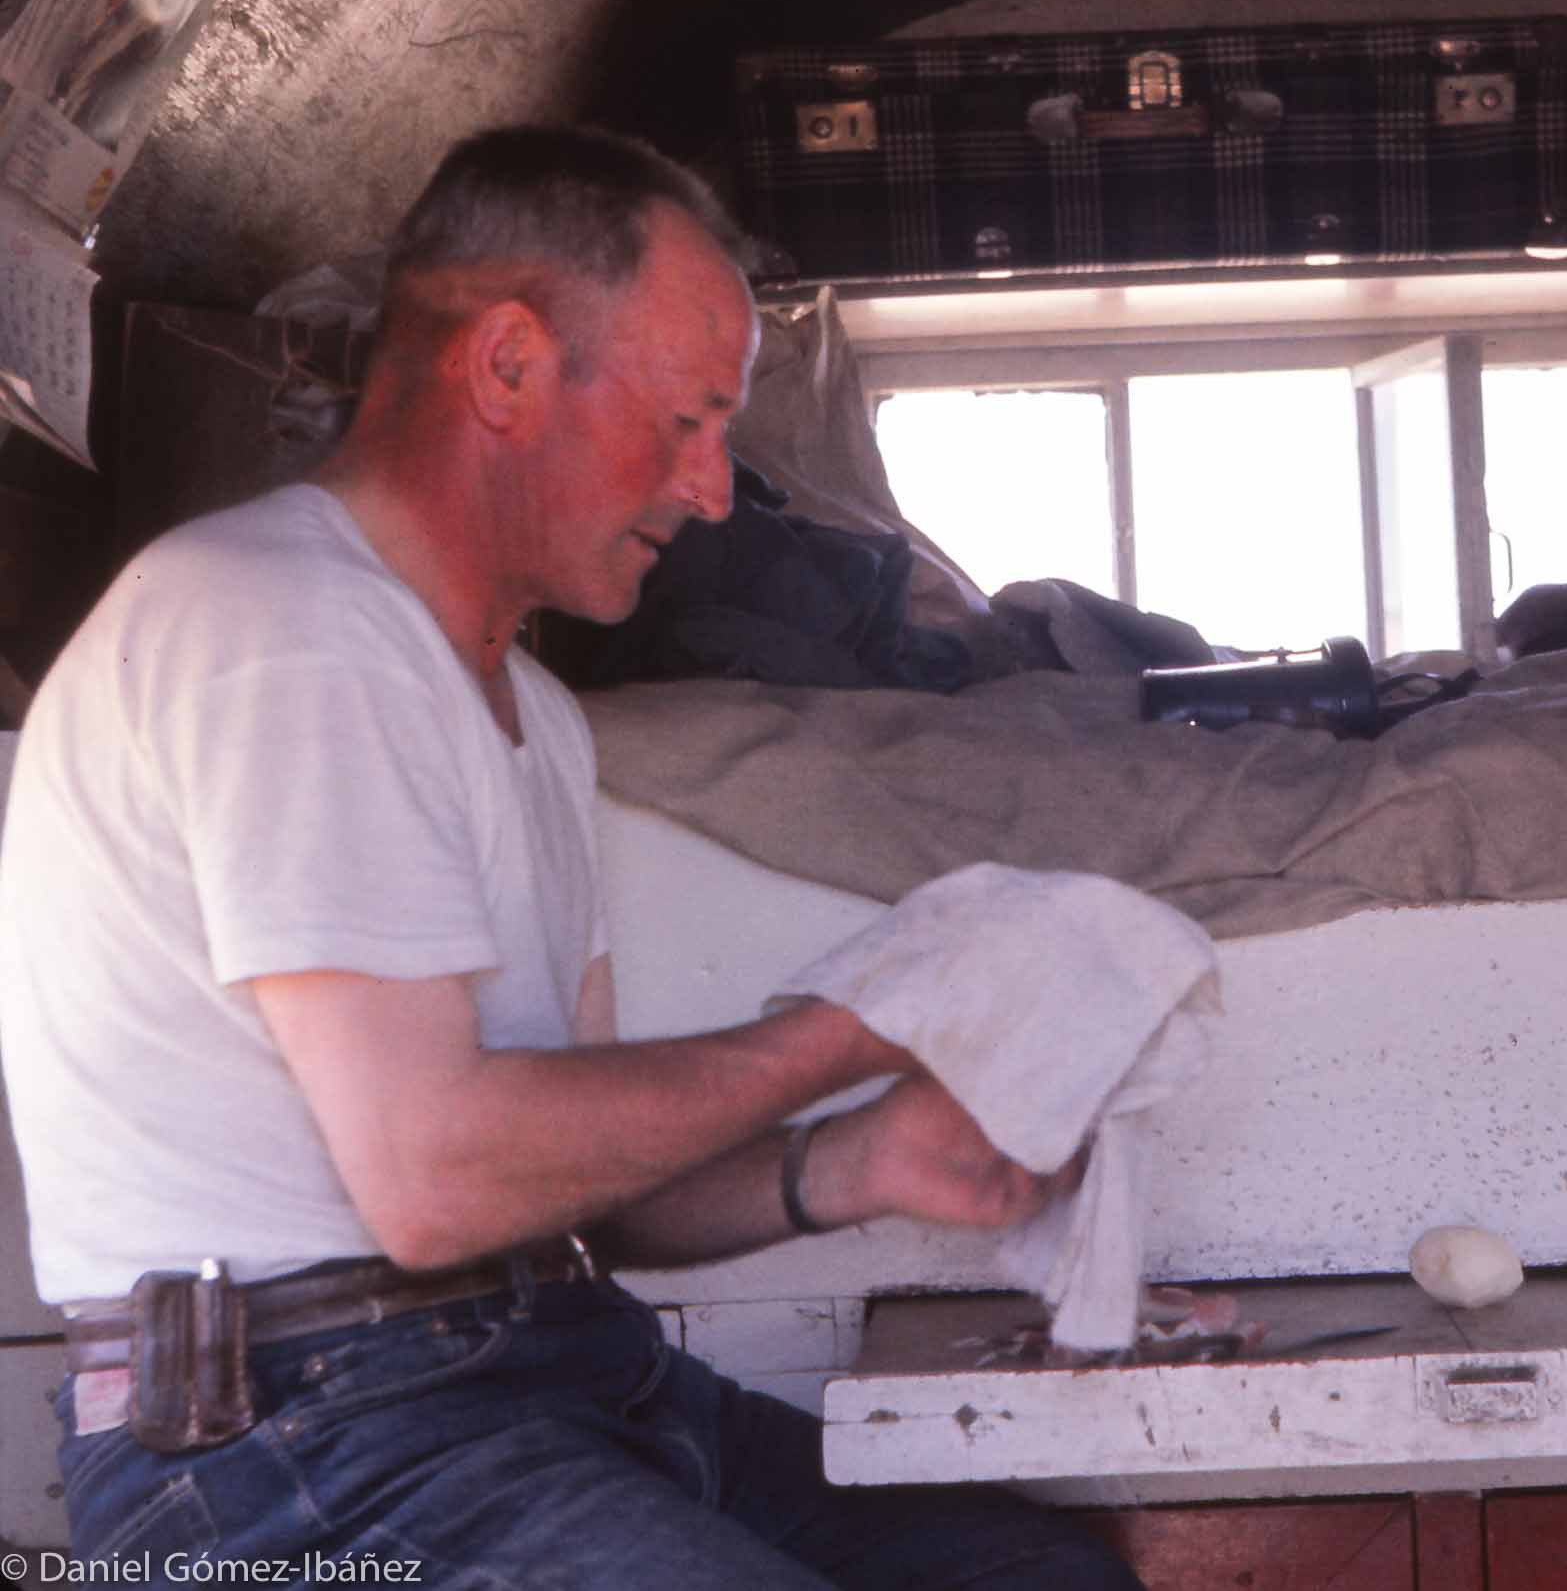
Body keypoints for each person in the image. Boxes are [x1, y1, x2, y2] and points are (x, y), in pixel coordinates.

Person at [0, 126, 1144, 1589]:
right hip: (282, 1463)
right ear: (509, 367)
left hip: (543, 1380)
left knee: (1033, 1570)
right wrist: (842, 1030)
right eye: (688, 421)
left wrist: (855, 1156)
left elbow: (578, 1188)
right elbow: (435, 1178)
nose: (718, 490)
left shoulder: (532, 711)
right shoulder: (277, 633)